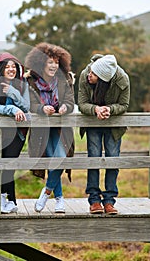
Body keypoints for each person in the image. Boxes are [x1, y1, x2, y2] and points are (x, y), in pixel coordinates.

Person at [24, 42, 75, 213]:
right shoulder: (31, 80)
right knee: (53, 163)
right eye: (50, 62)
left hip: (61, 129)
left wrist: (65, 108)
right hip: (41, 130)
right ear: (41, 63)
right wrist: (41, 109)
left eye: (56, 62)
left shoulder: (65, 78)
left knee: (59, 158)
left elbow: (70, 100)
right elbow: (29, 104)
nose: (54, 66)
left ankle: (46, 193)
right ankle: (59, 200)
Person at [78, 54, 130, 215]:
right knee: (93, 158)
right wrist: (95, 109)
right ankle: (94, 200)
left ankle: (109, 200)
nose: (89, 75)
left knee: (112, 159)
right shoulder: (85, 75)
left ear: (102, 79)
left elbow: (124, 104)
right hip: (93, 123)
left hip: (113, 125)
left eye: (93, 75)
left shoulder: (123, 80)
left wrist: (110, 109)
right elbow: (82, 103)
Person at [0, 52, 30, 213]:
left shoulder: (22, 83)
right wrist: (12, 108)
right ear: (0, 69)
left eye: (14, 67)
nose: (11, 69)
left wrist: (13, 92)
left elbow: (26, 107)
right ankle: (3, 199)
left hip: (17, 133)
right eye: (7, 67)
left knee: (9, 165)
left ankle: (8, 199)